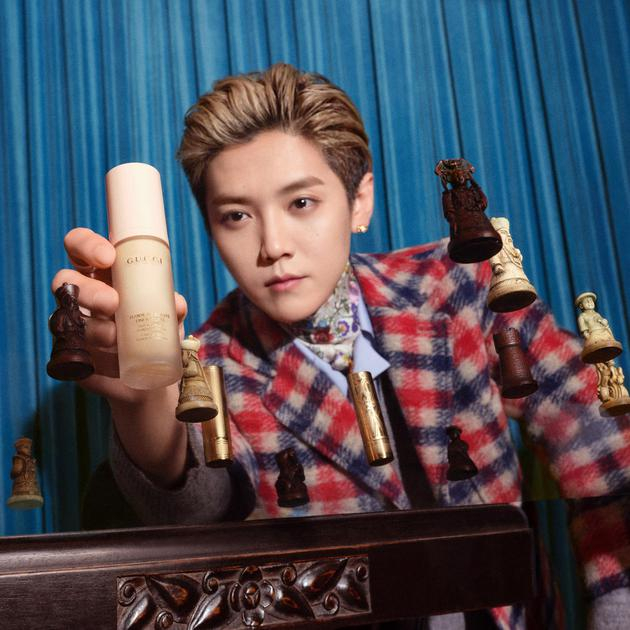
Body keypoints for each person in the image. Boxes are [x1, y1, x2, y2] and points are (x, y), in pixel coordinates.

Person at [52, 64, 630, 629]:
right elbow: (197, 510)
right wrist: (143, 398)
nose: (272, 245)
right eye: (236, 215)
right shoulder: (214, 361)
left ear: (360, 201)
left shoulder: (466, 283)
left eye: (300, 203)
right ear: (209, 227)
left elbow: (606, 453)